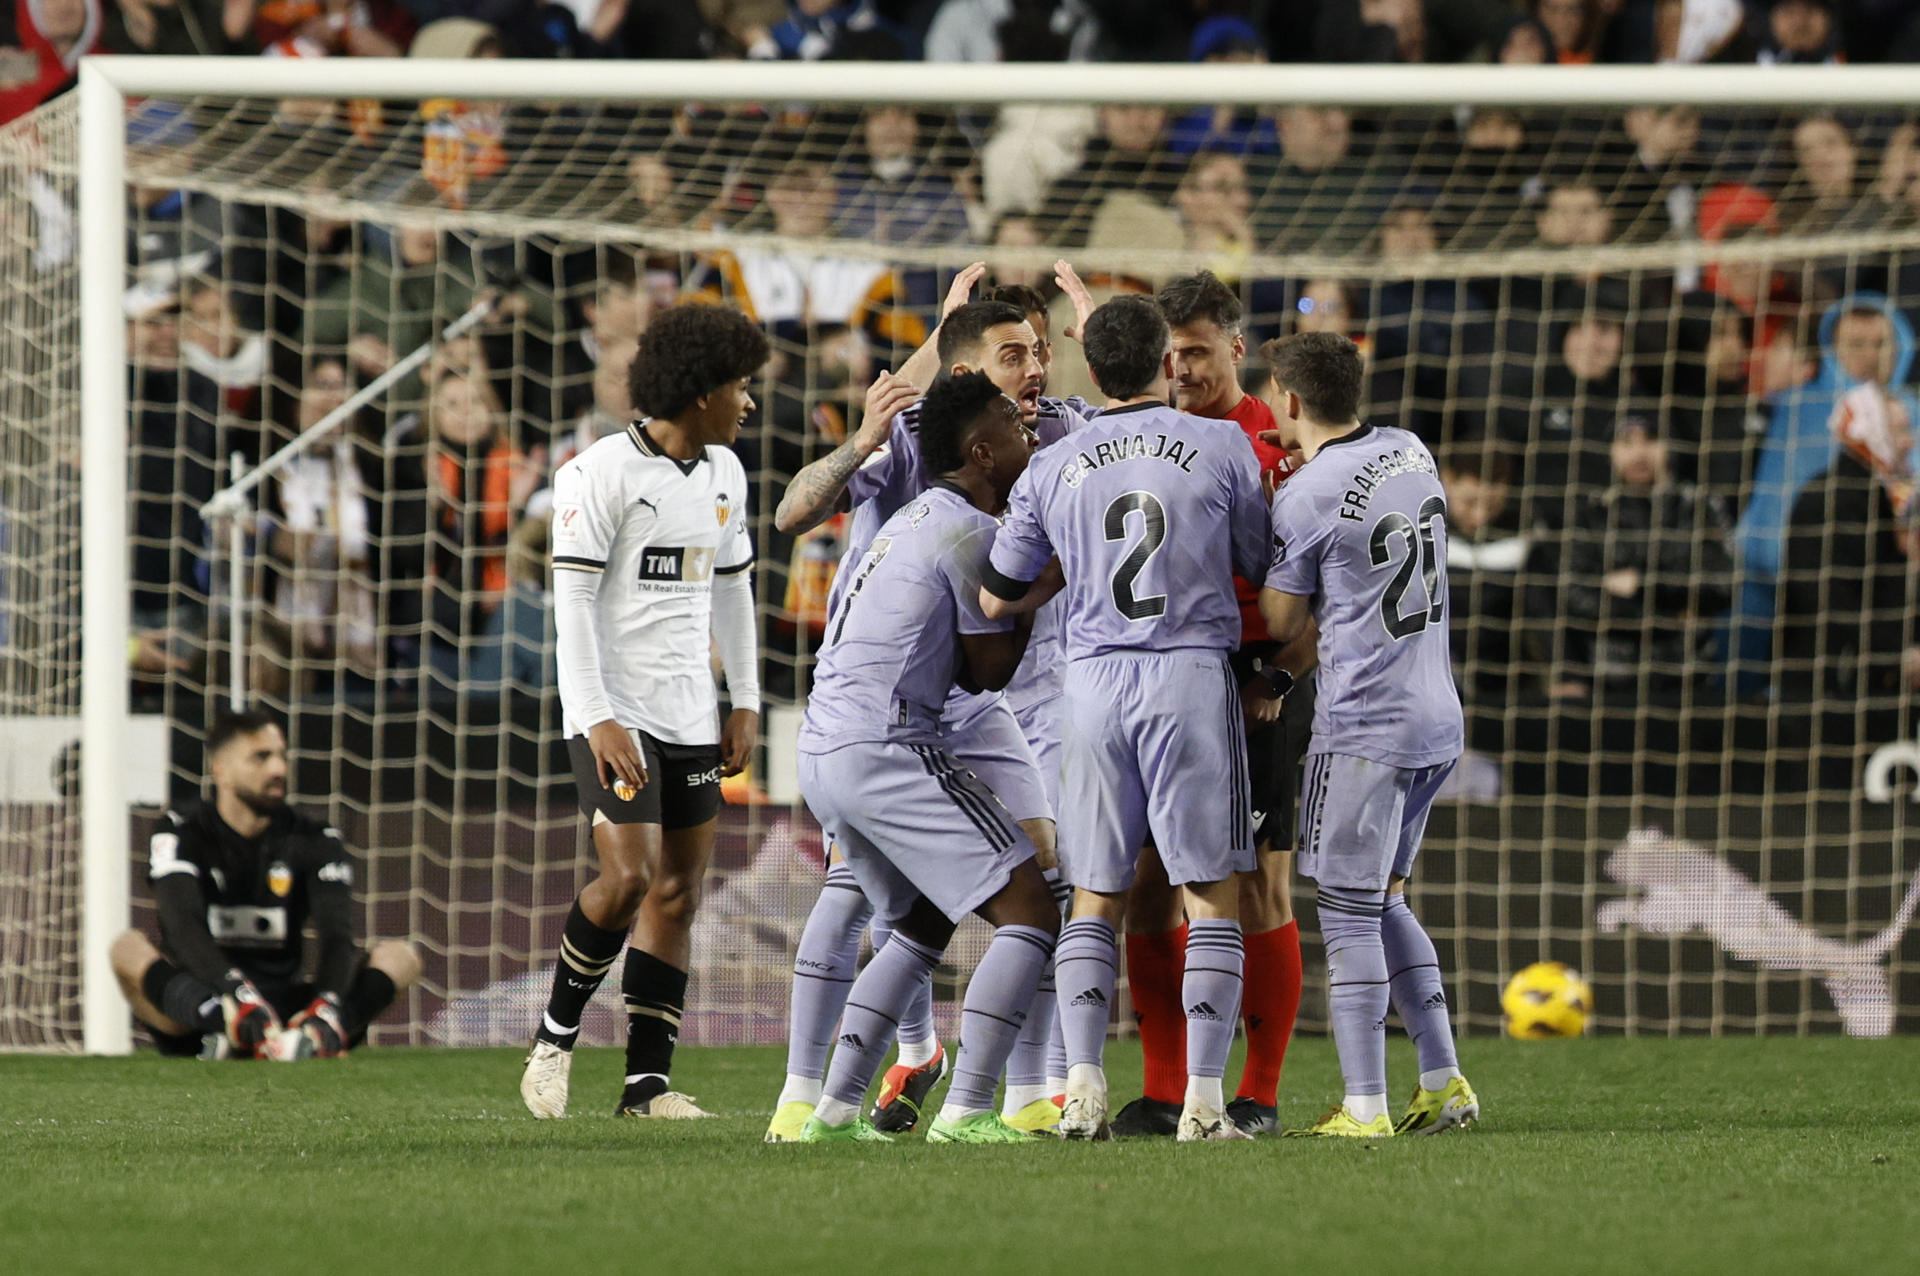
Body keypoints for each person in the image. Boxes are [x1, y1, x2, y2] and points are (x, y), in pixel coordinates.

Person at [764, 294, 1083, 1141]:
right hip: (892, 741)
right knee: (1032, 912)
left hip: (826, 744)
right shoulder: (968, 534)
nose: (1030, 435)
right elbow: (987, 673)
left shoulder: (916, 516)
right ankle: (976, 1109)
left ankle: (827, 1111)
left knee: (918, 921)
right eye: (1014, 434)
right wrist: (1041, 586)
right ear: (982, 451)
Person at [983, 294, 1270, 1142]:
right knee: (1210, 895)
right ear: (1163, 360)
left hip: (1091, 683)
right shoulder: (1221, 443)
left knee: (1095, 898)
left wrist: (1066, 570)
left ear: (1087, 365)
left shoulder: (1051, 463)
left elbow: (999, 591)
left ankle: (1079, 1092)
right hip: (1187, 675)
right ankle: (1206, 1107)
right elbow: (1258, 557)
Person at [518, 302, 767, 1120]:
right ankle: (553, 1043)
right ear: (700, 394)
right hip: (612, 711)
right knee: (625, 878)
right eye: (739, 385)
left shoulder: (726, 473)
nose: (749, 402)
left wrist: (745, 701)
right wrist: (596, 716)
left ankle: (645, 1087)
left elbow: (733, 591)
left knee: (678, 895)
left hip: (692, 713)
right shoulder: (597, 474)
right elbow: (573, 604)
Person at [1107, 270, 1313, 1139]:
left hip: (1256, 676)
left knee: (1258, 885)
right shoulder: (1140, 437)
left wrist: (1278, 680)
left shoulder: (1277, 442)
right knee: (1149, 887)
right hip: (1161, 678)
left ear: (1235, 347)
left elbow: (1318, 587)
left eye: (1195, 352)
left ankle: (1258, 1093)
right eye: (1170, 354)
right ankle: (1166, 1088)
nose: (1182, 368)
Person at [1256, 331, 1475, 1139]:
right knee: (1385, 900)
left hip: (1364, 725)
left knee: (1346, 912)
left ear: (1287, 398)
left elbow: (1281, 622)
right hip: (1435, 714)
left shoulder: (1309, 494)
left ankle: (1366, 1106)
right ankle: (1444, 1079)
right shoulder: (1409, 450)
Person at [109, 709, 421, 1059]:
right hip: (207, 1004)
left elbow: (337, 938)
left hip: (287, 1008)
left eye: (281, 756)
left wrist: (327, 1003)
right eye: (261, 757)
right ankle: (227, 1028)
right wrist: (236, 996)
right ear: (221, 770)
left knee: (401, 956)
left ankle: (323, 1032)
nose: (279, 770)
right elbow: (182, 927)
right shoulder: (181, 830)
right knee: (126, 948)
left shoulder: (314, 837)